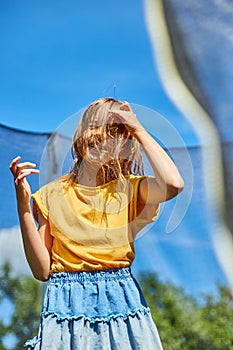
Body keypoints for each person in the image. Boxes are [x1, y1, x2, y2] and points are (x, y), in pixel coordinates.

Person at [10, 98, 184, 350]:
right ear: (79, 134)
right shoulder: (50, 195)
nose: (102, 136)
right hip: (65, 307)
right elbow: (42, 270)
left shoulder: (129, 190)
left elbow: (173, 185)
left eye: (114, 132)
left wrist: (137, 129)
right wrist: (24, 207)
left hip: (121, 300)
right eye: (94, 126)